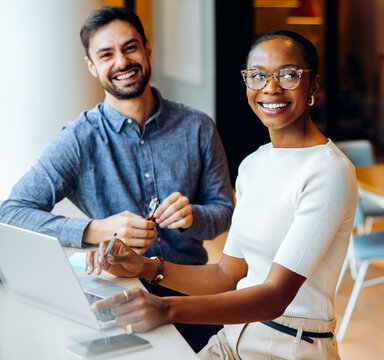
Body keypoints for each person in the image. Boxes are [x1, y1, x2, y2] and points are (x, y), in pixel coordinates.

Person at [86, 30, 358, 359]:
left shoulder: (329, 170)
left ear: (312, 84)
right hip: (230, 339)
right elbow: (226, 275)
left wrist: (166, 309)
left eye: (288, 74)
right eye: (257, 76)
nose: (270, 88)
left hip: (290, 347)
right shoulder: (254, 165)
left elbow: (274, 297)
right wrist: (143, 267)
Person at [0, 6, 233, 350]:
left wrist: (193, 217)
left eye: (130, 47)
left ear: (148, 49)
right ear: (92, 67)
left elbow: (224, 212)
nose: (122, 62)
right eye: (107, 54)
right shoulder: (79, 138)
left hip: (191, 293)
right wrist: (97, 229)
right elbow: (12, 212)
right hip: (120, 294)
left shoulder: (198, 127)